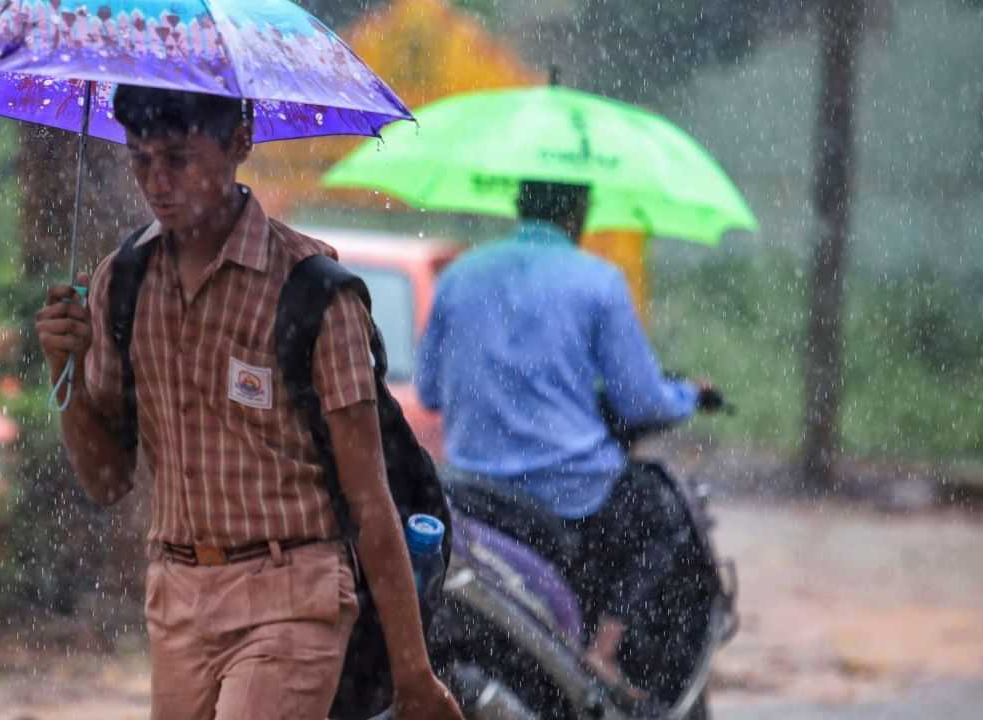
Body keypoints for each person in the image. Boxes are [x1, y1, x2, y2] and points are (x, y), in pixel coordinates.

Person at [35, 85, 463, 720]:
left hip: (293, 595)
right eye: (140, 161)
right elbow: (106, 480)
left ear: (240, 141)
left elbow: (370, 500)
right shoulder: (121, 283)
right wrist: (62, 368)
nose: (157, 183)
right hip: (176, 599)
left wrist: (413, 672)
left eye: (178, 159)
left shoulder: (315, 293)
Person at [415, 180, 714, 694]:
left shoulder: (460, 275)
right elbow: (640, 400)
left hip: (469, 492)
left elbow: (429, 393)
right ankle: (604, 653)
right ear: (580, 214)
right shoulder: (599, 283)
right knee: (662, 516)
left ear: (517, 206)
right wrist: (690, 395)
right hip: (571, 495)